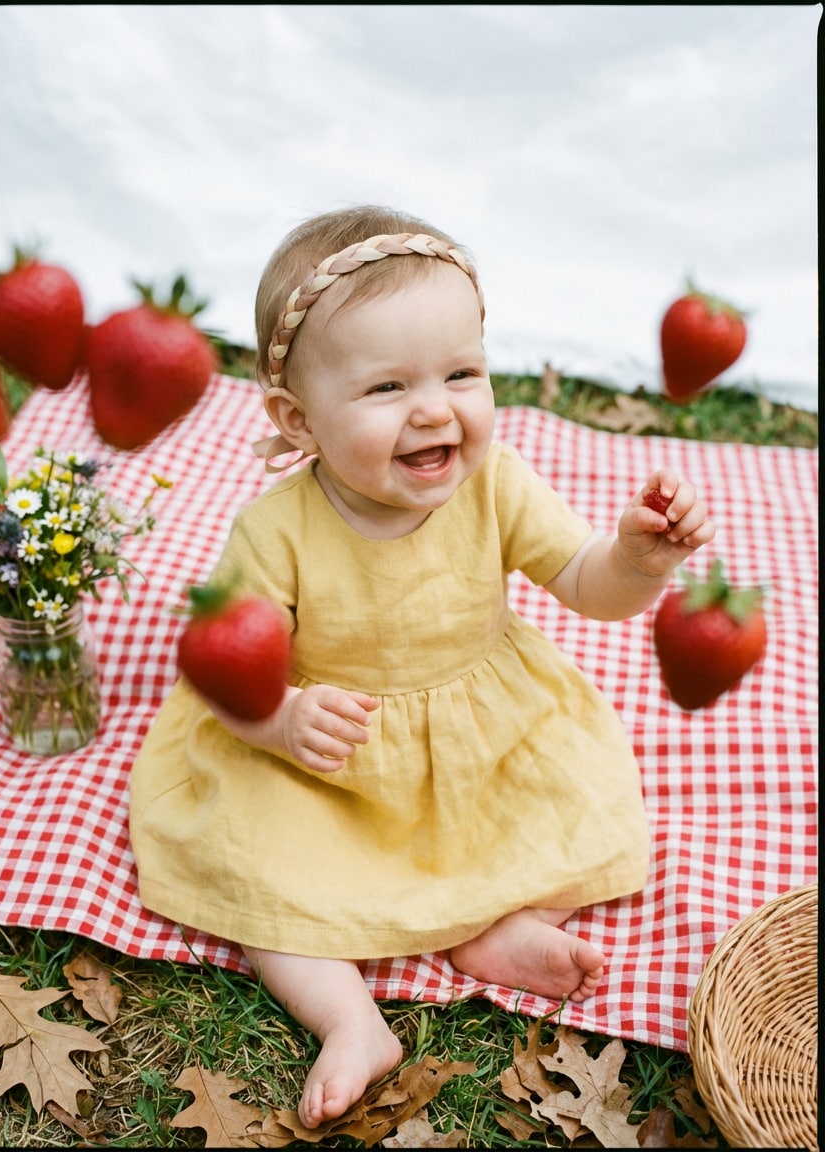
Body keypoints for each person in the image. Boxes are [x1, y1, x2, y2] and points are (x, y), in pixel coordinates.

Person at [129, 204, 715, 1129]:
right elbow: (219, 670)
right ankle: (351, 1019)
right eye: (387, 387)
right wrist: (278, 718)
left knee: (561, 824)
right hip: (327, 762)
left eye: (462, 373)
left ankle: (490, 929)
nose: (436, 408)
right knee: (271, 893)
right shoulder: (275, 532)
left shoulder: (496, 484)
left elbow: (585, 583)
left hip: (476, 744)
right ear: (299, 418)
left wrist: (640, 559)